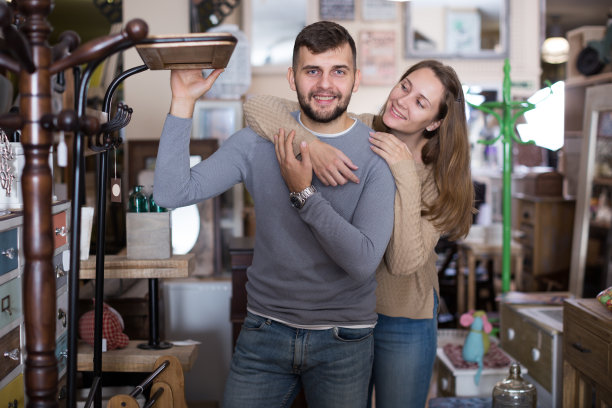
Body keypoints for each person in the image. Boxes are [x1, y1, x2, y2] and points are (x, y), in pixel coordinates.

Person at [153, 21, 396, 408]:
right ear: (292, 77)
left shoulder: (376, 157)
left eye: (339, 71)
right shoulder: (256, 143)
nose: (325, 84)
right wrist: (183, 102)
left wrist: (303, 192)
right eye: (311, 70)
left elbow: (363, 262)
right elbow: (170, 193)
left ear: (355, 80)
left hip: (344, 339)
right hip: (264, 331)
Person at [243, 59, 474, 408]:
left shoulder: (439, 179)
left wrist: (404, 170)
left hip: (403, 318)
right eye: (405, 86)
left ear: (436, 122)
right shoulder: (359, 129)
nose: (402, 99)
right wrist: (315, 146)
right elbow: (257, 107)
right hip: (343, 314)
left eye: (421, 102)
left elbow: (402, 262)